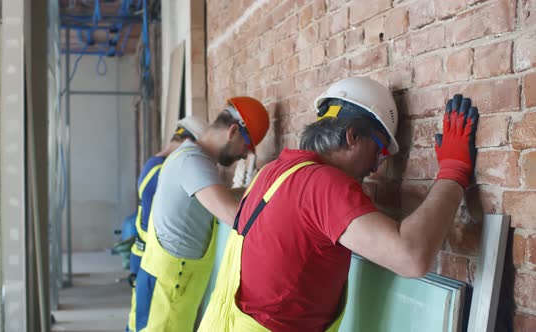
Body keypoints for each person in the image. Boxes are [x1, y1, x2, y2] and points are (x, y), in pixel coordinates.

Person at [199, 76, 479, 332]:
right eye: (380, 152)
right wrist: (453, 172)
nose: (375, 167)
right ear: (352, 136)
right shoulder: (323, 184)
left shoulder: (271, 172)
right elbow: (411, 257)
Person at [135, 96, 270, 331]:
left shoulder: (196, 160)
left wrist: (262, 185)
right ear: (233, 131)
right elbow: (233, 215)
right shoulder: (192, 162)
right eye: (246, 148)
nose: (243, 156)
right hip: (167, 290)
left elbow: (222, 196)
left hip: (173, 284)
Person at [126, 115, 207, 332]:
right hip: (154, 264)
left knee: (139, 323)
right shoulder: (164, 171)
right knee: (148, 325)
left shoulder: (153, 164)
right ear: (189, 143)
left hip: (144, 258)